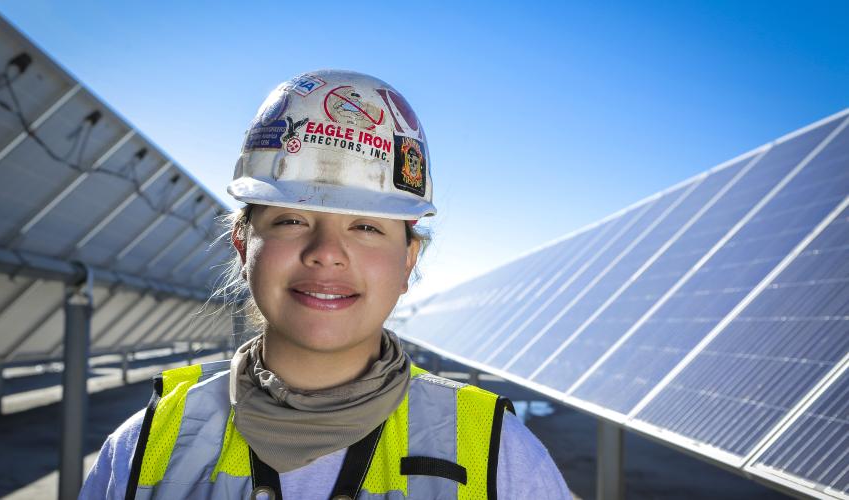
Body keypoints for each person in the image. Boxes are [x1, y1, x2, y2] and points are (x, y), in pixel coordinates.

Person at [80, 69, 571, 500]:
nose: (326, 252)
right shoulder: (143, 446)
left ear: (407, 260)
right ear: (241, 244)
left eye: (366, 226)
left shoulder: (498, 454)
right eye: (292, 219)